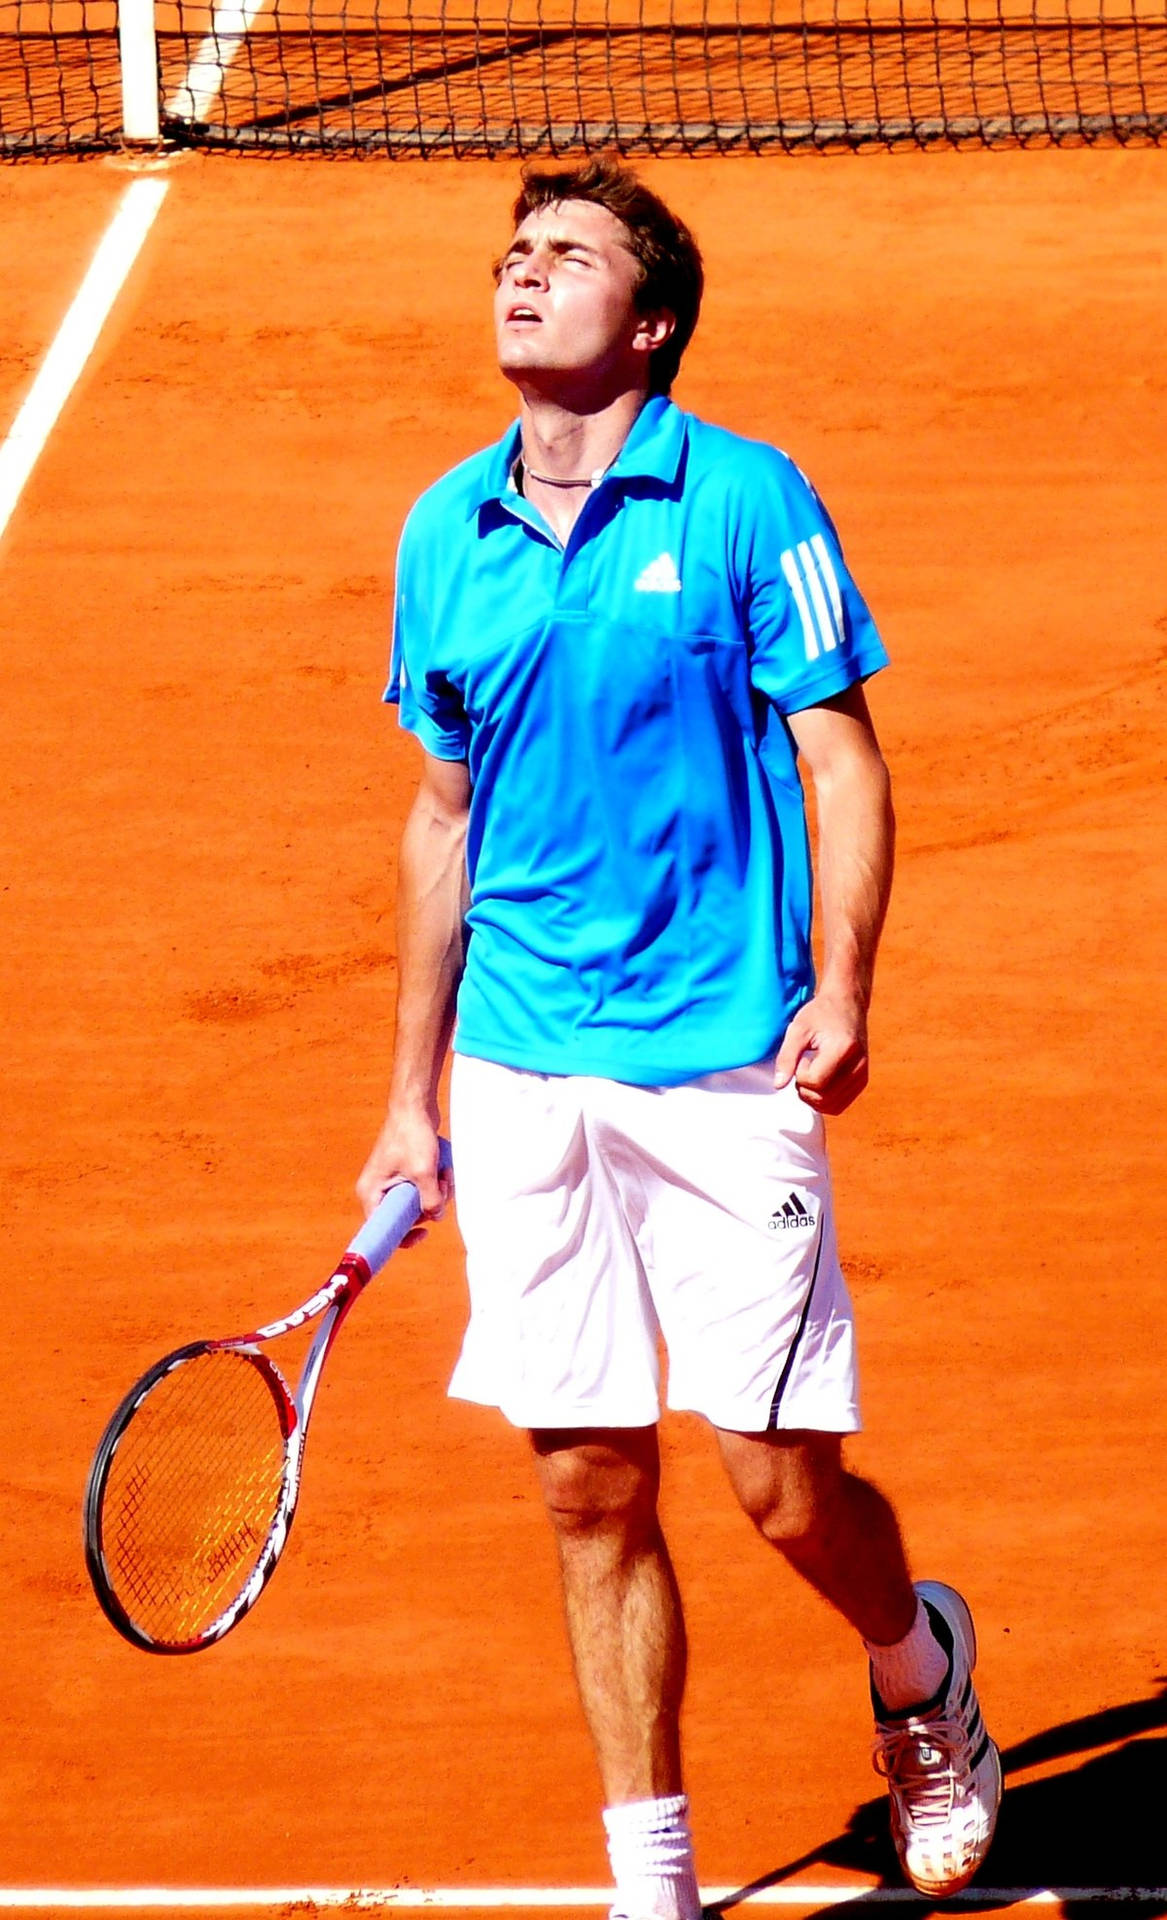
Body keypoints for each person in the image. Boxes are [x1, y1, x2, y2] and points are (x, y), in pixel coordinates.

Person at [357, 155, 1002, 1909]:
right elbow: (440, 824)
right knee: (584, 1486)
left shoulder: (742, 504)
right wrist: (410, 1100)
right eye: (512, 250)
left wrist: (845, 983)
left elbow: (840, 753)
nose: (521, 270)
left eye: (565, 256)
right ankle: (655, 1879)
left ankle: (916, 1664)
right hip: (518, 1067)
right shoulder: (443, 529)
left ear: (646, 325)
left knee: (781, 1489)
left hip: (720, 1066)